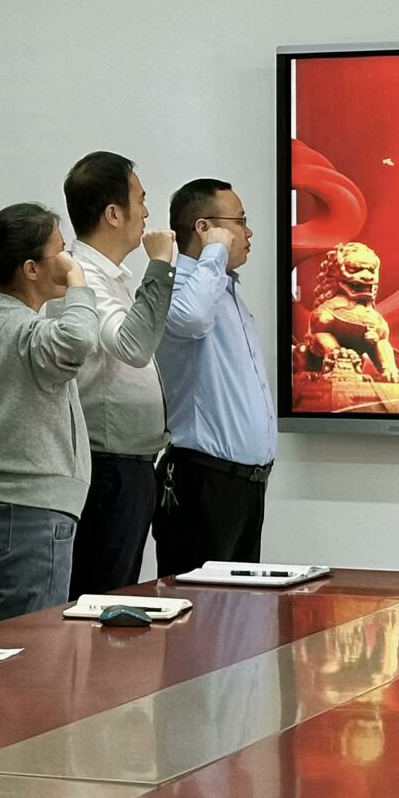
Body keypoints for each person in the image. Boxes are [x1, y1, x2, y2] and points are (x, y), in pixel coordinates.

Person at [0, 203, 101, 623]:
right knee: (35, 653)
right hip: (31, 514)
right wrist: (78, 282)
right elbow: (79, 339)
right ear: (31, 269)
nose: (68, 259)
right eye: (61, 251)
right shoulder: (25, 333)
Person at [60, 152, 178, 597]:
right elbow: (132, 346)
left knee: (119, 594)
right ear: (113, 213)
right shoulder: (81, 275)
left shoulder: (112, 276)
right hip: (107, 466)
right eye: (140, 200)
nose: (147, 212)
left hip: (130, 465)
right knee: (100, 599)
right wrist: (161, 265)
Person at [153, 178, 277, 577]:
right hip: (202, 480)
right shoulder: (177, 287)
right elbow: (191, 319)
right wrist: (214, 252)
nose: (248, 232)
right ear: (204, 228)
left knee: (241, 608)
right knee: (201, 607)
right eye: (239, 221)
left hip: (245, 485)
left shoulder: (224, 290)